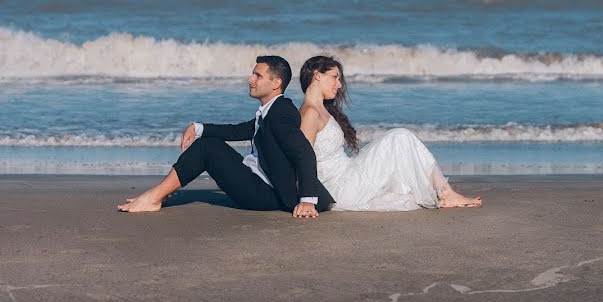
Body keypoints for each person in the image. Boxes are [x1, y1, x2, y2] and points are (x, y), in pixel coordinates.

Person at [118, 55, 334, 217]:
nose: (251, 79)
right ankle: (160, 194)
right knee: (207, 143)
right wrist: (199, 127)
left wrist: (307, 200)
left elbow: (304, 151)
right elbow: (241, 130)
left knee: (207, 148)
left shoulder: (281, 112)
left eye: (258, 75)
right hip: (261, 182)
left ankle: (154, 198)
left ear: (276, 83)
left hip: (268, 193)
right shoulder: (271, 110)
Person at [298, 55, 483, 211]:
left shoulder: (321, 109)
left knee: (401, 144)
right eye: (335, 77)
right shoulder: (310, 113)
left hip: (347, 174)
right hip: (340, 187)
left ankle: (445, 192)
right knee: (400, 136)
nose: (339, 85)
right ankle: (446, 193)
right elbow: (302, 158)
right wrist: (307, 200)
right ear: (317, 76)